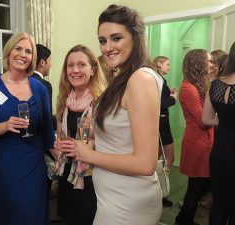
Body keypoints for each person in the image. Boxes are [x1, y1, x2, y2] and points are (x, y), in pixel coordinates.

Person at [74, 4, 163, 225]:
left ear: (135, 37)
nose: (107, 47)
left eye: (116, 38)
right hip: (114, 198)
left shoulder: (139, 79)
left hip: (127, 204)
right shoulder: (125, 77)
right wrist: (97, 141)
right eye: (103, 41)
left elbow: (145, 163)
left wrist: (88, 155)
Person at [0, 32, 55, 225]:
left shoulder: (40, 88)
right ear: (9, 52)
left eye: (28, 51)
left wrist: (65, 159)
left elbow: (47, 132)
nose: (23, 54)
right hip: (2, 166)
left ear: (33, 58)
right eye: (18, 48)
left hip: (33, 166)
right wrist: (3, 126)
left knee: (32, 215)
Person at [53, 44, 106, 225]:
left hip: (91, 177)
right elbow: (61, 136)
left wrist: (89, 146)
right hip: (67, 174)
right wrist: (58, 144)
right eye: (70, 65)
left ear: (92, 70)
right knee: (69, 219)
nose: (75, 70)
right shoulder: (64, 100)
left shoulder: (102, 103)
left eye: (81, 65)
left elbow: (111, 144)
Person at [175, 49, 214, 225]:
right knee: (196, 188)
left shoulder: (196, 86)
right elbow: (203, 121)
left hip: (204, 141)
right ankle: (183, 220)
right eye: (208, 60)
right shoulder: (188, 88)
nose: (211, 64)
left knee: (198, 187)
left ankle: (183, 219)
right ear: (198, 63)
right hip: (198, 143)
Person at [202, 41, 235, 225]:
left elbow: (206, 119)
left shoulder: (215, 84)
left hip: (219, 152)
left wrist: (227, 121)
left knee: (219, 204)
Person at [153, 56, 177, 207]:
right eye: (167, 64)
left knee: (157, 161)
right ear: (159, 64)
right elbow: (162, 103)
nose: (169, 67)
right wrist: (173, 98)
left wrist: (169, 95)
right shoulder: (159, 81)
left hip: (159, 124)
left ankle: (158, 192)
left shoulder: (157, 80)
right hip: (161, 125)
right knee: (169, 158)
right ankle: (159, 190)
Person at [31, 44, 56, 130]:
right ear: (42, 62)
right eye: (49, 60)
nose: (51, 64)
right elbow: (47, 119)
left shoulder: (23, 80)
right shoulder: (45, 85)